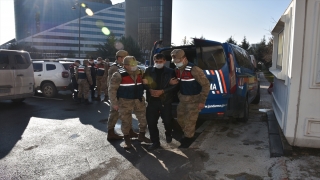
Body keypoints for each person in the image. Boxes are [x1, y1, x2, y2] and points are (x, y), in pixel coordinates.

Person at [108, 56, 151, 149]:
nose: (134, 66)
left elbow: (144, 85)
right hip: (124, 102)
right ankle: (127, 140)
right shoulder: (118, 74)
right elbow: (112, 90)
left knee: (143, 120)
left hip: (139, 101)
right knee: (126, 122)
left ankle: (142, 136)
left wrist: (146, 83)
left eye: (135, 64)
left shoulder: (140, 72)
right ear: (125, 65)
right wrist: (114, 103)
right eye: (132, 64)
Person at [170, 49, 210, 148]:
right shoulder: (177, 70)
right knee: (180, 119)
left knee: (190, 120)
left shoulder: (194, 69)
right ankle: (187, 133)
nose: (176, 63)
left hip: (194, 100)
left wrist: (202, 101)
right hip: (183, 99)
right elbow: (180, 84)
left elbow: (206, 85)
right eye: (175, 62)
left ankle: (188, 138)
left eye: (178, 61)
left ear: (184, 59)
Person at [142, 53, 178, 150]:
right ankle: (155, 142)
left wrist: (162, 91)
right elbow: (144, 83)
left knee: (167, 120)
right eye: (156, 61)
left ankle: (168, 133)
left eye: (160, 61)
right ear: (154, 61)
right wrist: (149, 90)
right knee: (151, 122)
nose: (158, 63)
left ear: (164, 61)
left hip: (165, 101)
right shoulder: (149, 70)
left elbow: (175, 85)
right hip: (152, 101)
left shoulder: (170, 71)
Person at [106, 50, 138, 140]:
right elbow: (111, 85)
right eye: (125, 58)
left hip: (125, 96)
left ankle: (130, 131)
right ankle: (111, 133)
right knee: (114, 114)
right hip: (117, 96)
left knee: (127, 114)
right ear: (119, 58)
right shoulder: (114, 68)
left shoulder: (122, 67)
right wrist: (114, 100)